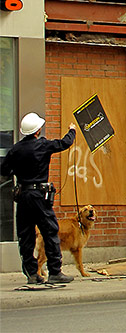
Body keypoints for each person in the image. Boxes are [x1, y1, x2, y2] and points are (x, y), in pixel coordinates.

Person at [1, 112, 76, 285]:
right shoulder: (42, 145)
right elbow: (64, 143)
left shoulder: (15, 149)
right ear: (38, 130)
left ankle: (32, 274)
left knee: (26, 235)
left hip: (23, 196)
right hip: (40, 197)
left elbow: (4, 171)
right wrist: (72, 131)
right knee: (49, 231)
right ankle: (55, 272)